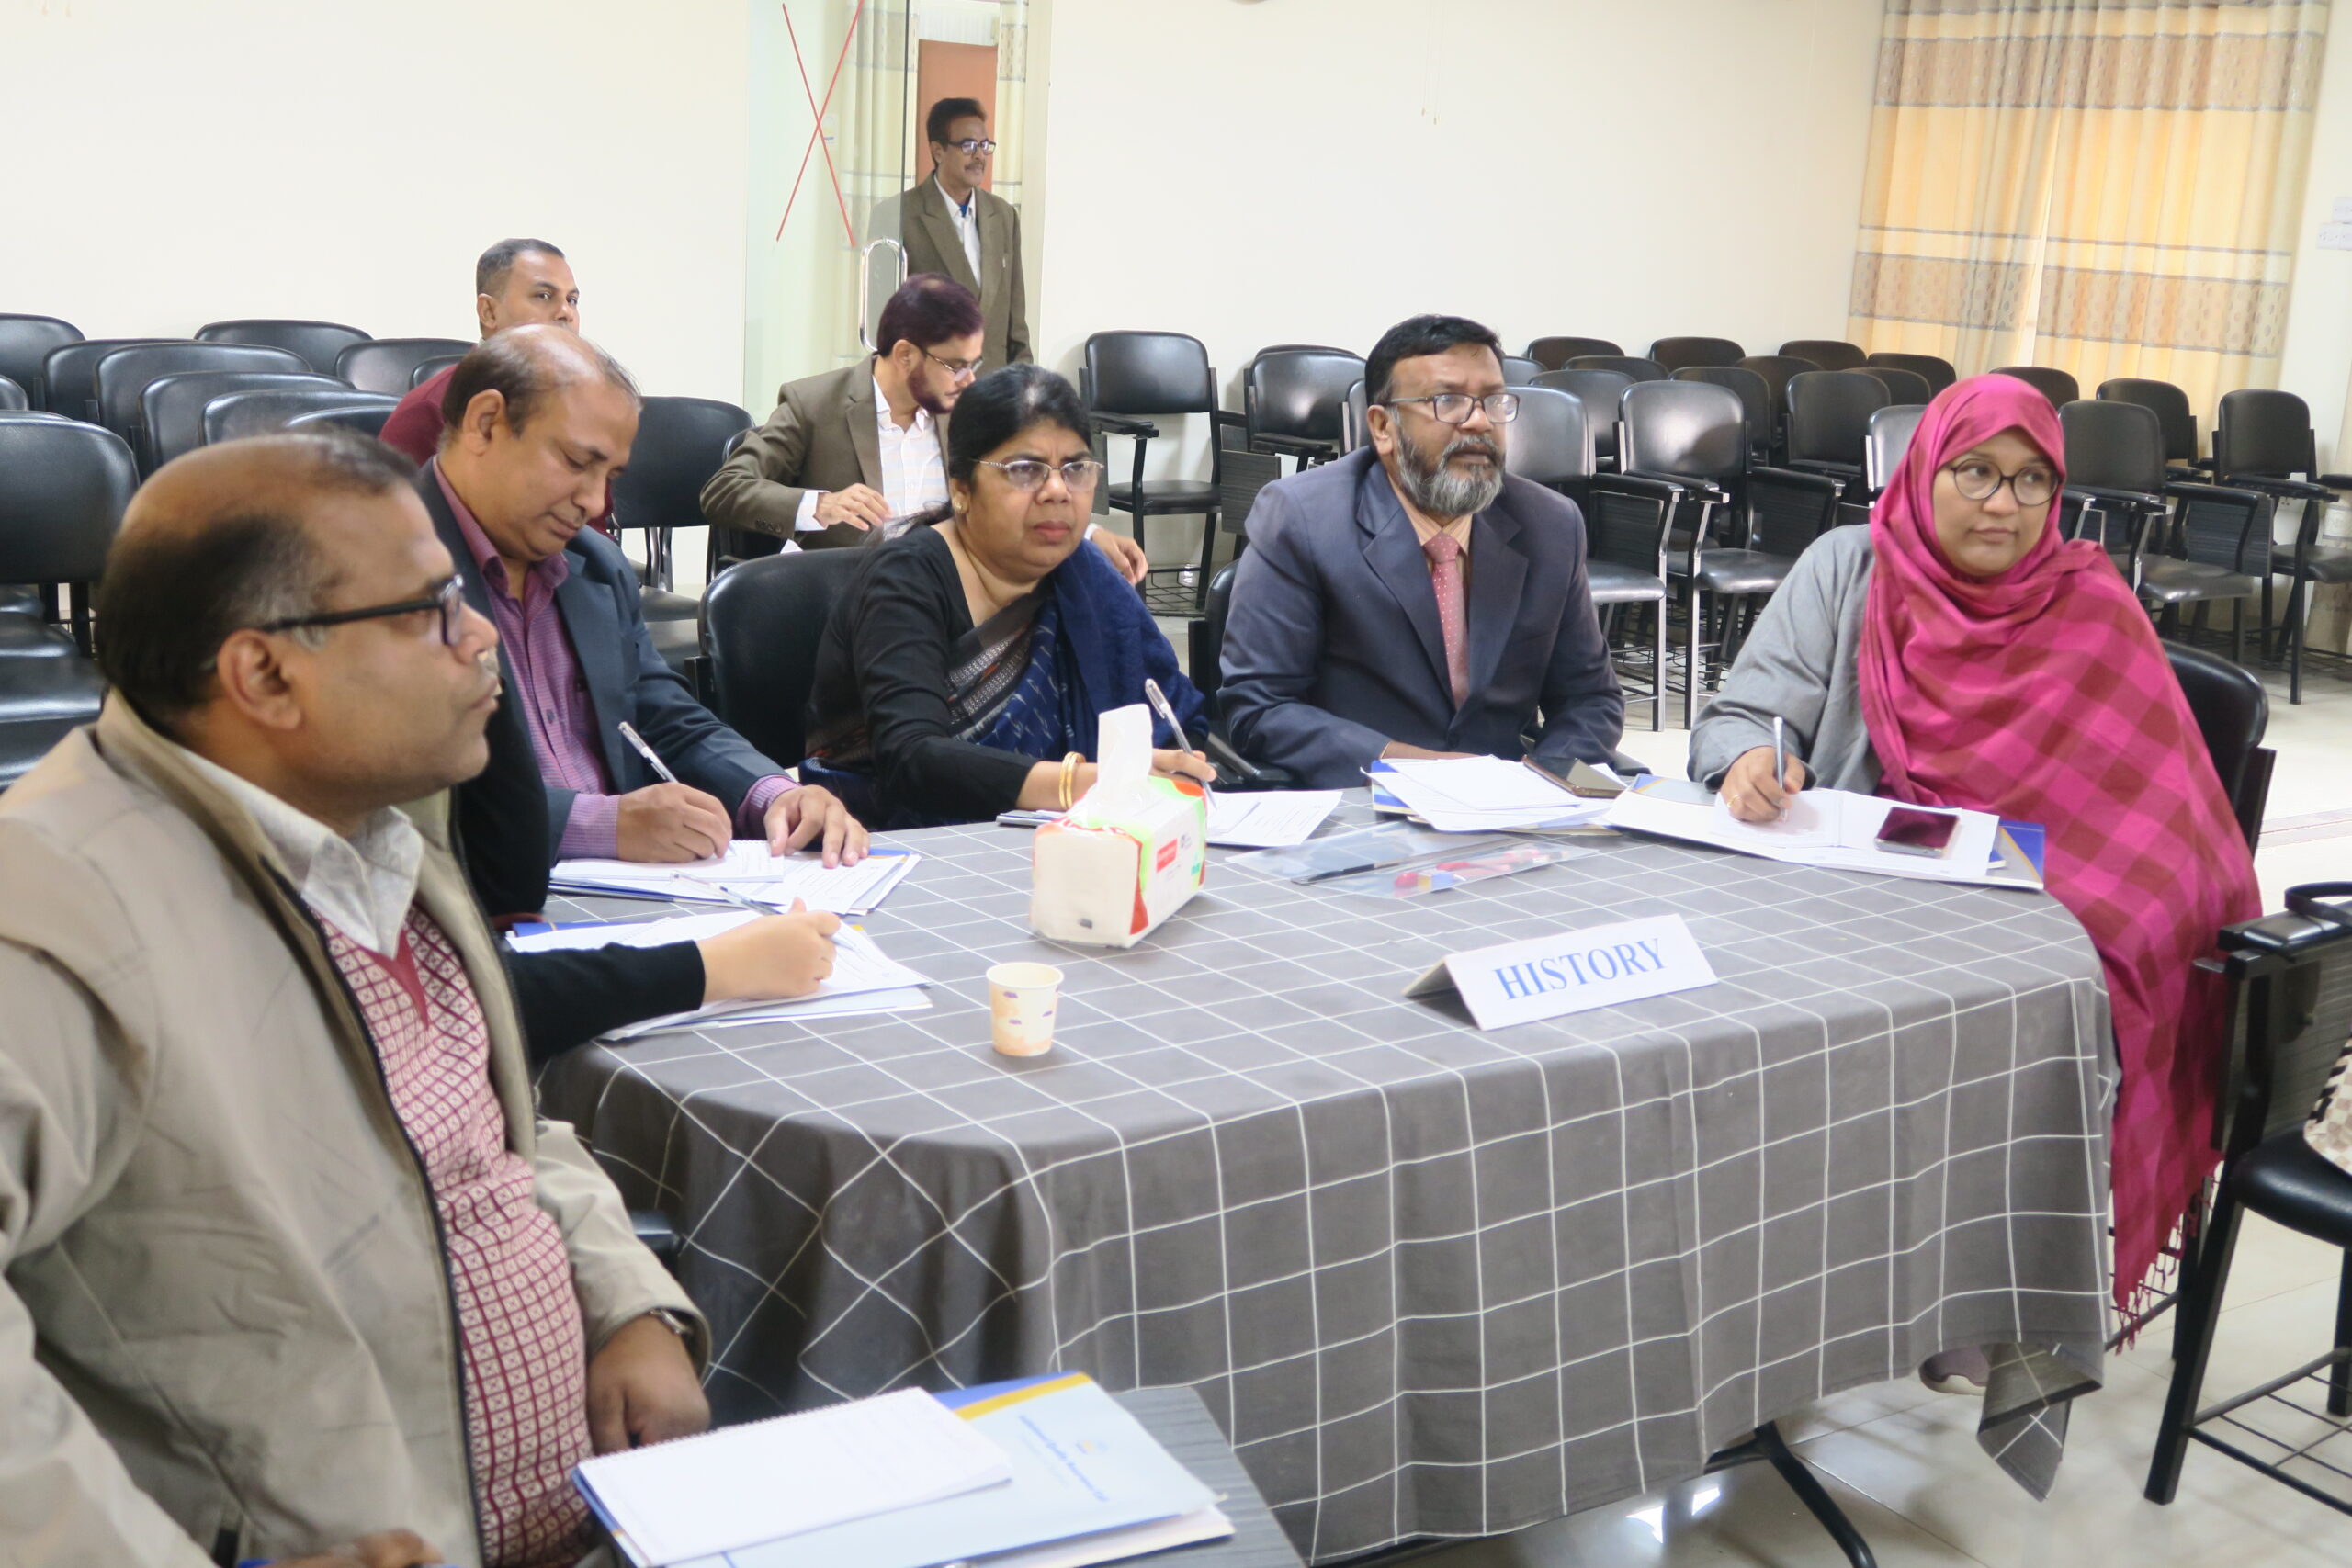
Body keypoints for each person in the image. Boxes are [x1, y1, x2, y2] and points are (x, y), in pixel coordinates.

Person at [0, 430, 707, 1567]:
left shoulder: (372, 828)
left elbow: (485, 1127)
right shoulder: (55, 912)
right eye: (431, 610)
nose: (481, 636)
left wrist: (626, 1305)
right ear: (266, 675)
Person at [1689, 373, 2261, 1321]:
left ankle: (1989, 1297)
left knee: (2066, 1006)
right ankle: (1800, 1273)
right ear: (1923, 473)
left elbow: (2168, 824)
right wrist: (1751, 756)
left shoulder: (2088, 602)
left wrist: (2112, 924)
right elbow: (1739, 716)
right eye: (1977, 472)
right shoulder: (1850, 569)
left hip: (2017, 907)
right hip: (1846, 892)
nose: (2004, 504)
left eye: (2033, 480)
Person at [426, 325, 866, 866]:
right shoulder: (377, 568)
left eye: (610, 475)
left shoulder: (594, 564)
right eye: (576, 462)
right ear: (486, 423)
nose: (595, 503)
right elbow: (401, 790)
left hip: (622, 883)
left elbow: (663, 715)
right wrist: (603, 825)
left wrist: (774, 793)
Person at [1217, 313, 1624, 787]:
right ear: (1382, 427)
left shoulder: (1550, 524)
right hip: (1361, 799)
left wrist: (1542, 781)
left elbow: (1588, 699)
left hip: (1508, 807)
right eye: (1448, 401)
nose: (1479, 421)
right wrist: (1420, 772)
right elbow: (1261, 708)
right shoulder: (1302, 517)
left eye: (1494, 401)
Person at [802, 364, 1214, 827]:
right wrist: (1081, 784)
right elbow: (911, 758)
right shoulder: (903, 580)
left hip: (1084, 838)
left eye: (1076, 468)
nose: (1057, 490)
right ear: (961, 489)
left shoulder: (1087, 574)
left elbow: (1174, 719)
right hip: (895, 839)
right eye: (1024, 470)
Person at [698, 274, 1142, 579]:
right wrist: (821, 505)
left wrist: (1089, 535)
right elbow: (724, 490)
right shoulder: (814, 404)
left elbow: (1015, 486)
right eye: (956, 365)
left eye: (974, 365)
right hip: (846, 597)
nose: (969, 380)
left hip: (949, 591)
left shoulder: (962, 409)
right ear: (906, 355)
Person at [380, 237, 581, 464]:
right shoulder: (431, 410)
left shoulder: (583, 401)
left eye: (572, 300)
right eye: (543, 295)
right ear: (489, 312)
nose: (566, 312)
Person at [899, 97, 1030, 374]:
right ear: (938, 151)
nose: (979, 156)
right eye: (968, 146)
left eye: (984, 145)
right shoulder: (900, 215)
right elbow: (887, 323)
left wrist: (1023, 384)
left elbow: (1016, 321)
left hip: (993, 384)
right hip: (930, 383)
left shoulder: (1003, 216)